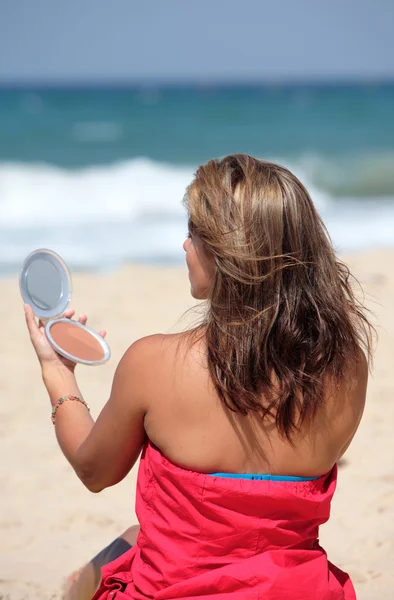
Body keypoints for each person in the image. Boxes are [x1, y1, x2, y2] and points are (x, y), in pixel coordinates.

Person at [24, 154, 373, 600]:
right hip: (294, 590)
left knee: (89, 577)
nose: (184, 246)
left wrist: (56, 371)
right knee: (131, 540)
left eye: (193, 233)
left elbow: (94, 470)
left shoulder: (155, 363)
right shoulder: (347, 368)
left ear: (225, 253)